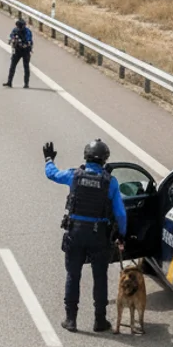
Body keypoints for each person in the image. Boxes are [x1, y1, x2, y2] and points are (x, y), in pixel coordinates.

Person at [42, 139, 127, 333]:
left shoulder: (74, 176)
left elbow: (52, 174)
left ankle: (71, 319)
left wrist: (48, 159)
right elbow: (121, 214)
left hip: (75, 233)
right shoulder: (110, 182)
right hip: (99, 236)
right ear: (105, 160)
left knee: (73, 275)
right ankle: (100, 321)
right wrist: (121, 235)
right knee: (100, 277)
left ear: (86, 156)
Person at [4, 19, 33, 89]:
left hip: (25, 51)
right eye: (18, 26)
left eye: (20, 26)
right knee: (12, 66)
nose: (19, 28)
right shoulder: (15, 30)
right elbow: (11, 36)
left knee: (26, 67)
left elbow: (29, 40)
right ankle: (9, 82)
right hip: (17, 50)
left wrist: (25, 44)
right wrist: (12, 40)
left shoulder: (27, 31)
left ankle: (26, 83)